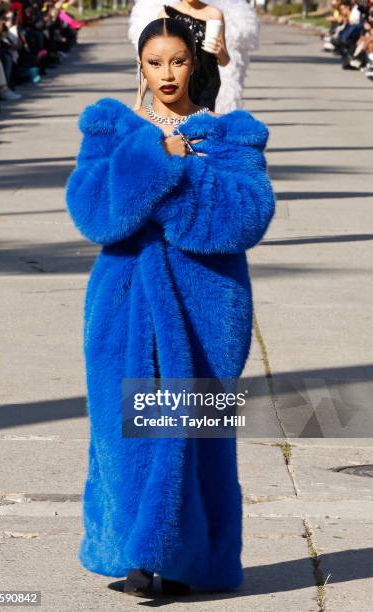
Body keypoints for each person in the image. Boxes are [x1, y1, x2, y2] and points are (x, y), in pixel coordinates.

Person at [65, 16, 275, 596]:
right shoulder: (111, 130)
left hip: (207, 305)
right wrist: (157, 160)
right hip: (123, 304)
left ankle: (187, 559)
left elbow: (241, 218)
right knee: (123, 431)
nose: (166, 74)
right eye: (154, 62)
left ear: (195, 62)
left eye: (177, 61)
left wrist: (176, 173)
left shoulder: (232, 137)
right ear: (140, 65)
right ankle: (137, 554)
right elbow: (96, 213)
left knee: (196, 433)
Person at [129, 0, 260, 112]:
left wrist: (218, 51)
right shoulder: (166, 14)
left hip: (207, 82)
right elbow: (154, 61)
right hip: (177, 79)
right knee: (174, 127)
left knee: (200, 130)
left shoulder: (214, 14)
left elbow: (225, 61)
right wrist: (138, 101)